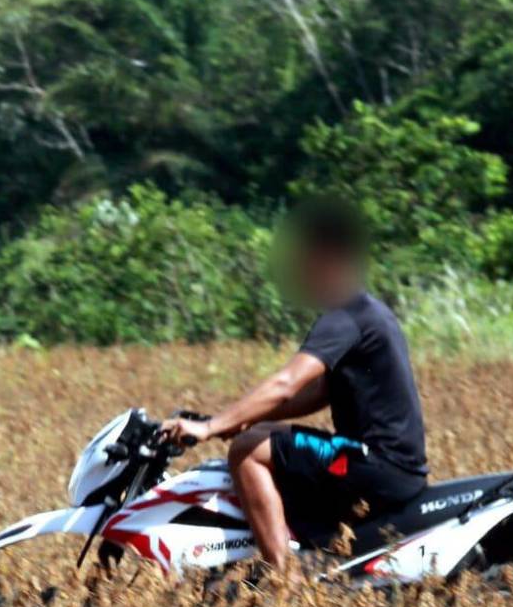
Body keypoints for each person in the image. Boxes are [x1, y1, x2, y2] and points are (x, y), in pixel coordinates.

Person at [159, 200, 427, 575]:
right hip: (388, 464)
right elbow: (317, 394)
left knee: (247, 450)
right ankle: (310, 546)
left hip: (374, 463)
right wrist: (236, 419)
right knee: (257, 433)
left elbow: (286, 384)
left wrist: (211, 428)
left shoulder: (345, 317)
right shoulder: (369, 312)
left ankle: (282, 578)